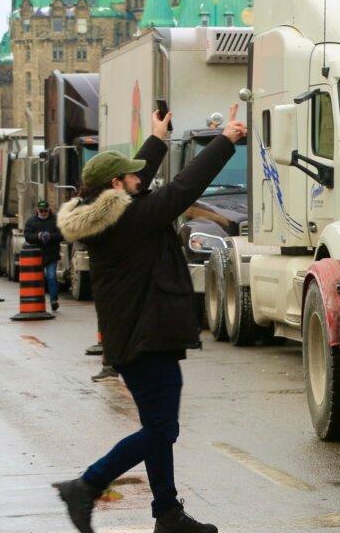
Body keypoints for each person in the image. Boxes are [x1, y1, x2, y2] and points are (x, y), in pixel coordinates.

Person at [52, 104, 245, 533]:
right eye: (132, 175)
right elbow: (181, 188)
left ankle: (167, 514)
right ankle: (87, 485)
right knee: (162, 429)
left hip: (136, 336)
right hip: (145, 336)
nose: (142, 178)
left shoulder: (109, 214)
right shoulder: (132, 219)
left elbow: (138, 182)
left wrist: (157, 139)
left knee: (157, 425)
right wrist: (224, 141)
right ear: (116, 186)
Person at [24, 200, 63, 311]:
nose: (43, 213)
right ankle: (38, 299)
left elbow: (62, 234)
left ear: (48, 210)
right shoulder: (31, 221)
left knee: (51, 277)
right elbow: (27, 236)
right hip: (36, 255)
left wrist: (50, 236)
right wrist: (39, 236)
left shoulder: (55, 221)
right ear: (37, 210)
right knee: (38, 279)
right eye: (41, 211)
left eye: (45, 211)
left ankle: (54, 300)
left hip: (52, 254)